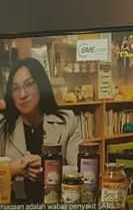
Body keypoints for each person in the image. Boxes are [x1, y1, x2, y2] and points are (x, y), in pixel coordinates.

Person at [0, 57, 80, 201]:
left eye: (29, 84)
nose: (22, 94)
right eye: (16, 88)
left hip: (58, 207)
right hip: (16, 209)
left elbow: (80, 170)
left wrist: (48, 168)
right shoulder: (3, 126)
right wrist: (14, 168)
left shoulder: (68, 121)